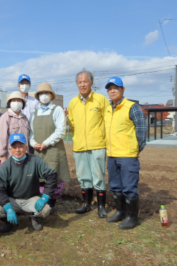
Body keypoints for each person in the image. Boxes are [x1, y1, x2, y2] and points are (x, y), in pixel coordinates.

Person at [0, 133, 58, 233]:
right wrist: (8, 208)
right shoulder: (5, 166)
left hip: (30, 198)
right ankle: (8, 221)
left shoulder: (35, 160)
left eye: (21, 146)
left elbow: (52, 175)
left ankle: (34, 218)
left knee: (46, 209)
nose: (17, 150)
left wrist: (44, 197)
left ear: (26, 147)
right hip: (12, 199)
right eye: (14, 147)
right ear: (10, 148)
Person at [104, 77, 147, 230]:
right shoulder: (108, 109)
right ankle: (120, 212)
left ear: (123, 90)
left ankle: (132, 217)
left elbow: (141, 132)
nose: (112, 90)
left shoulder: (132, 107)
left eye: (116, 87)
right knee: (115, 186)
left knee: (129, 187)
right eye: (109, 88)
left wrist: (135, 150)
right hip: (112, 154)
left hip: (127, 155)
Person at [68, 70, 109, 218]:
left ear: (91, 82)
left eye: (85, 81)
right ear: (77, 84)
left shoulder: (100, 99)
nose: (82, 84)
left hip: (97, 144)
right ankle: (86, 204)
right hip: (79, 145)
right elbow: (72, 124)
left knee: (98, 176)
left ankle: (101, 207)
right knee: (83, 176)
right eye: (80, 82)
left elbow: (107, 121)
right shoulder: (73, 102)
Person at [29, 82, 70, 213]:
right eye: (41, 93)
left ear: (51, 95)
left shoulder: (57, 110)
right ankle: (41, 202)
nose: (43, 96)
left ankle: (51, 204)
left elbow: (60, 131)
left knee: (53, 177)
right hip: (38, 150)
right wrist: (33, 143)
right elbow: (31, 132)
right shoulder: (34, 112)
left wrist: (46, 143)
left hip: (53, 149)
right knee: (40, 177)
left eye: (46, 93)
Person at [0, 91, 30, 164]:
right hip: (10, 158)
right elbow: (1, 139)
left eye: (19, 100)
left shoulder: (25, 118)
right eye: (14, 100)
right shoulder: (5, 118)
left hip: (24, 157)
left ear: (22, 103)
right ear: (9, 103)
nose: (16, 102)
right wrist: (3, 158)